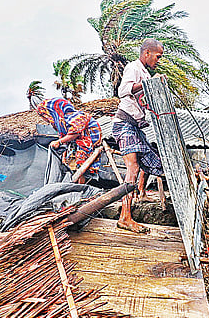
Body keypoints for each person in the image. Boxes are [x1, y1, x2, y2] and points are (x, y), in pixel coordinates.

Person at [111, 38, 165, 233]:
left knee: (150, 163)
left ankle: (129, 210)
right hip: (124, 124)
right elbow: (123, 90)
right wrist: (149, 83)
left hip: (134, 126)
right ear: (147, 53)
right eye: (157, 56)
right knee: (133, 168)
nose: (158, 60)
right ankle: (125, 217)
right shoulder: (133, 68)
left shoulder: (145, 73)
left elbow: (145, 100)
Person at [36, 98, 101, 184]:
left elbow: (75, 133)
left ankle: (80, 187)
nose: (45, 119)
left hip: (88, 141)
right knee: (69, 164)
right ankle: (75, 185)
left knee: (80, 164)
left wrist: (59, 142)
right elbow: (65, 139)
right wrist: (64, 155)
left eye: (44, 115)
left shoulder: (75, 117)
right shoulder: (60, 123)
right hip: (75, 143)